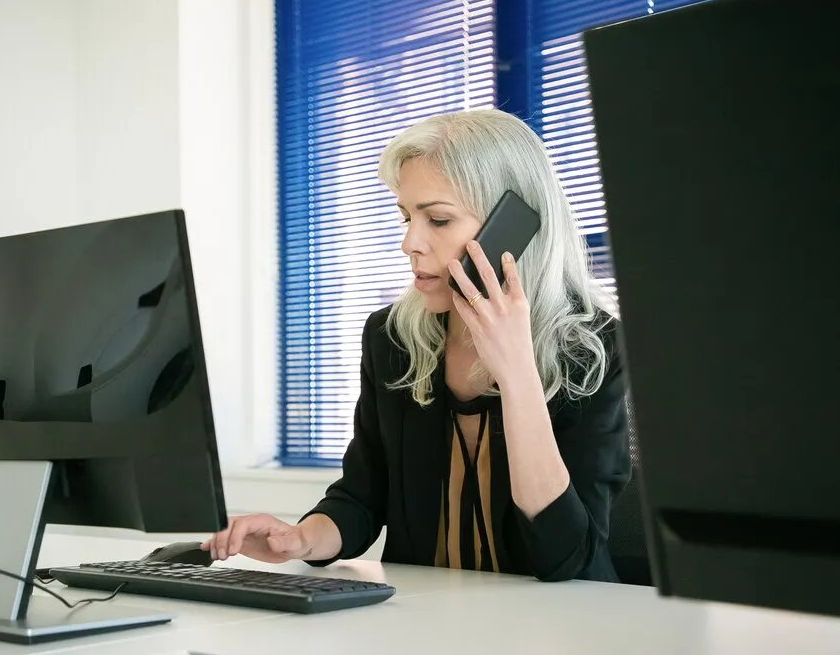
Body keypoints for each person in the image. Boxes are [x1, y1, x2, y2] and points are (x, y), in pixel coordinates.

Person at [202, 109, 631, 582]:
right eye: (406, 217)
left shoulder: (593, 348)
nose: (410, 242)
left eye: (439, 220)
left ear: (516, 229)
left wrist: (516, 375)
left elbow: (565, 556)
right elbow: (363, 496)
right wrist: (301, 539)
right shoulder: (393, 337)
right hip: (424, 621)